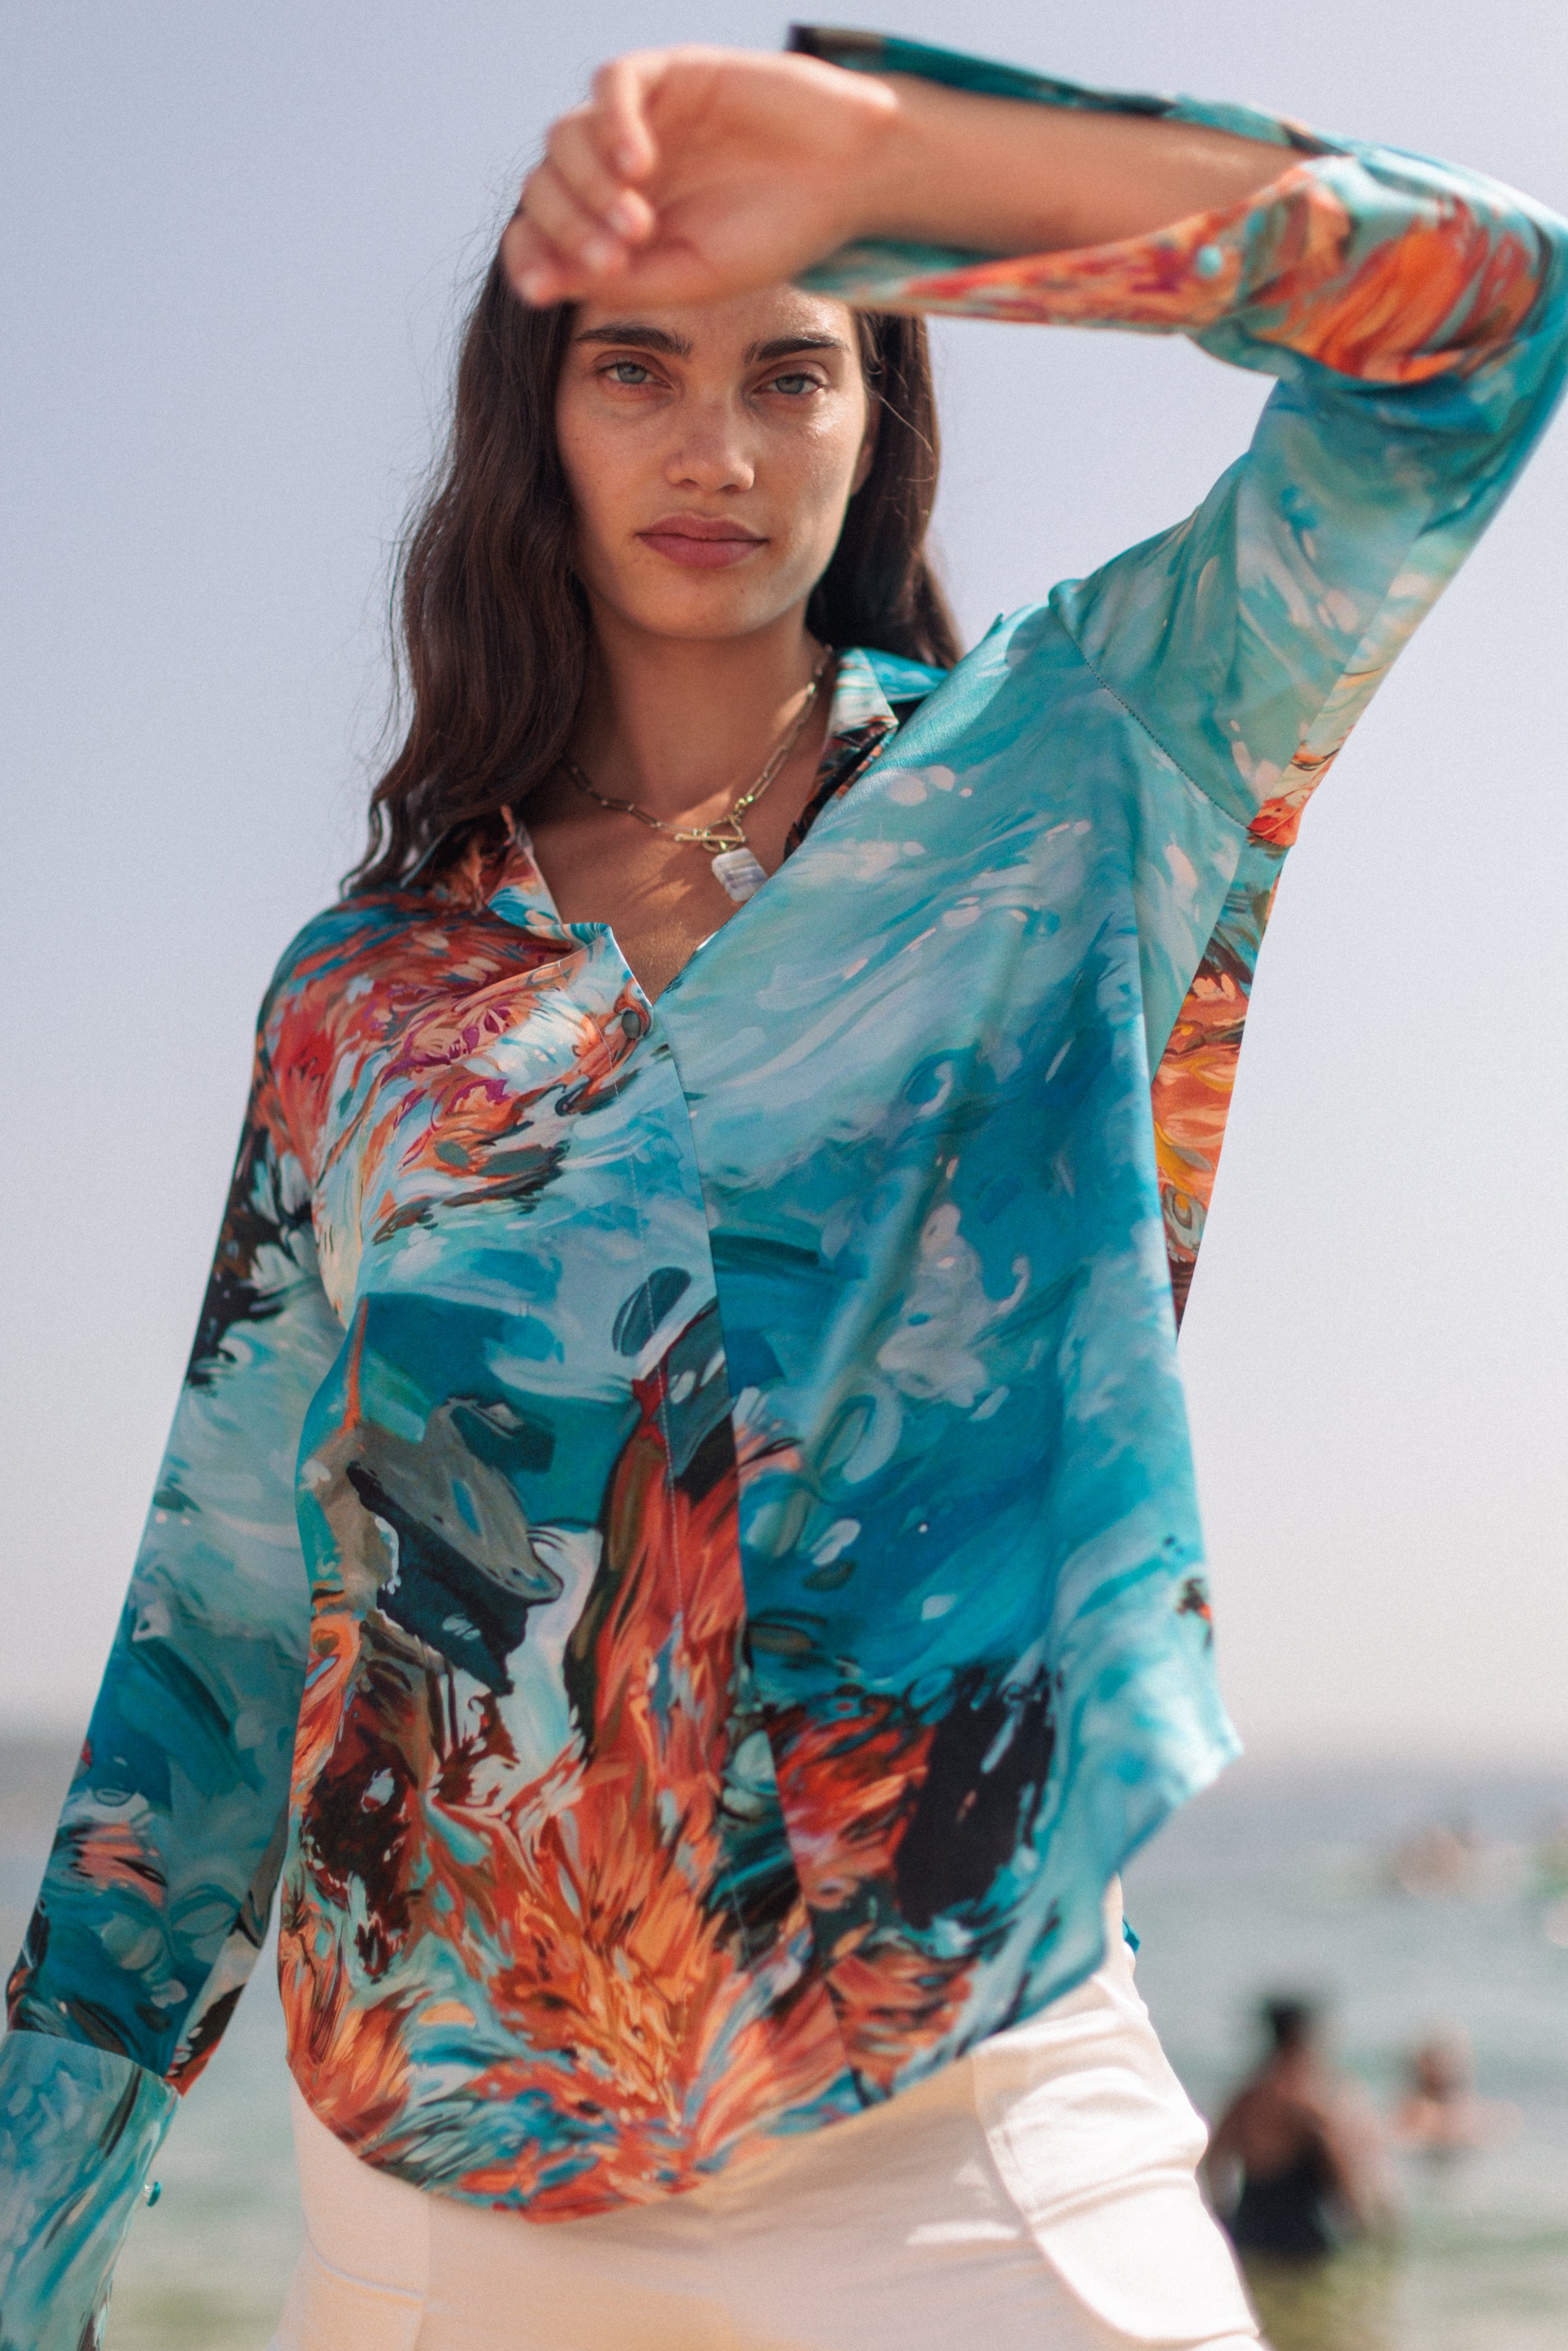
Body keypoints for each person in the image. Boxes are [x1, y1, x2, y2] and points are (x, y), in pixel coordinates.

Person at [3, 23, 1565, 2351]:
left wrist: (922, 170)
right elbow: (223, 1642)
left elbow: (1474, 325)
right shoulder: (368, 998)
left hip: (968, 2109)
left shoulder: (1081, 765)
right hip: (446, 2159)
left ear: (880, 415)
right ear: (538, 421)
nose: (715, 447)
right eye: (636, 368)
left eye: (795, 370)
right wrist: (43, 2225)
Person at [1207, 1998, 1391, 2260]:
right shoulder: (1308, 2099)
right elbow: (1337, 2166)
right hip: (1300, 2232)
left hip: (1249, 2226)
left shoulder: (1247, 2097)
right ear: (1299, 2035)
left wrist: (1223, 2214)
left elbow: (1215, 2158)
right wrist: (1361, 2223)